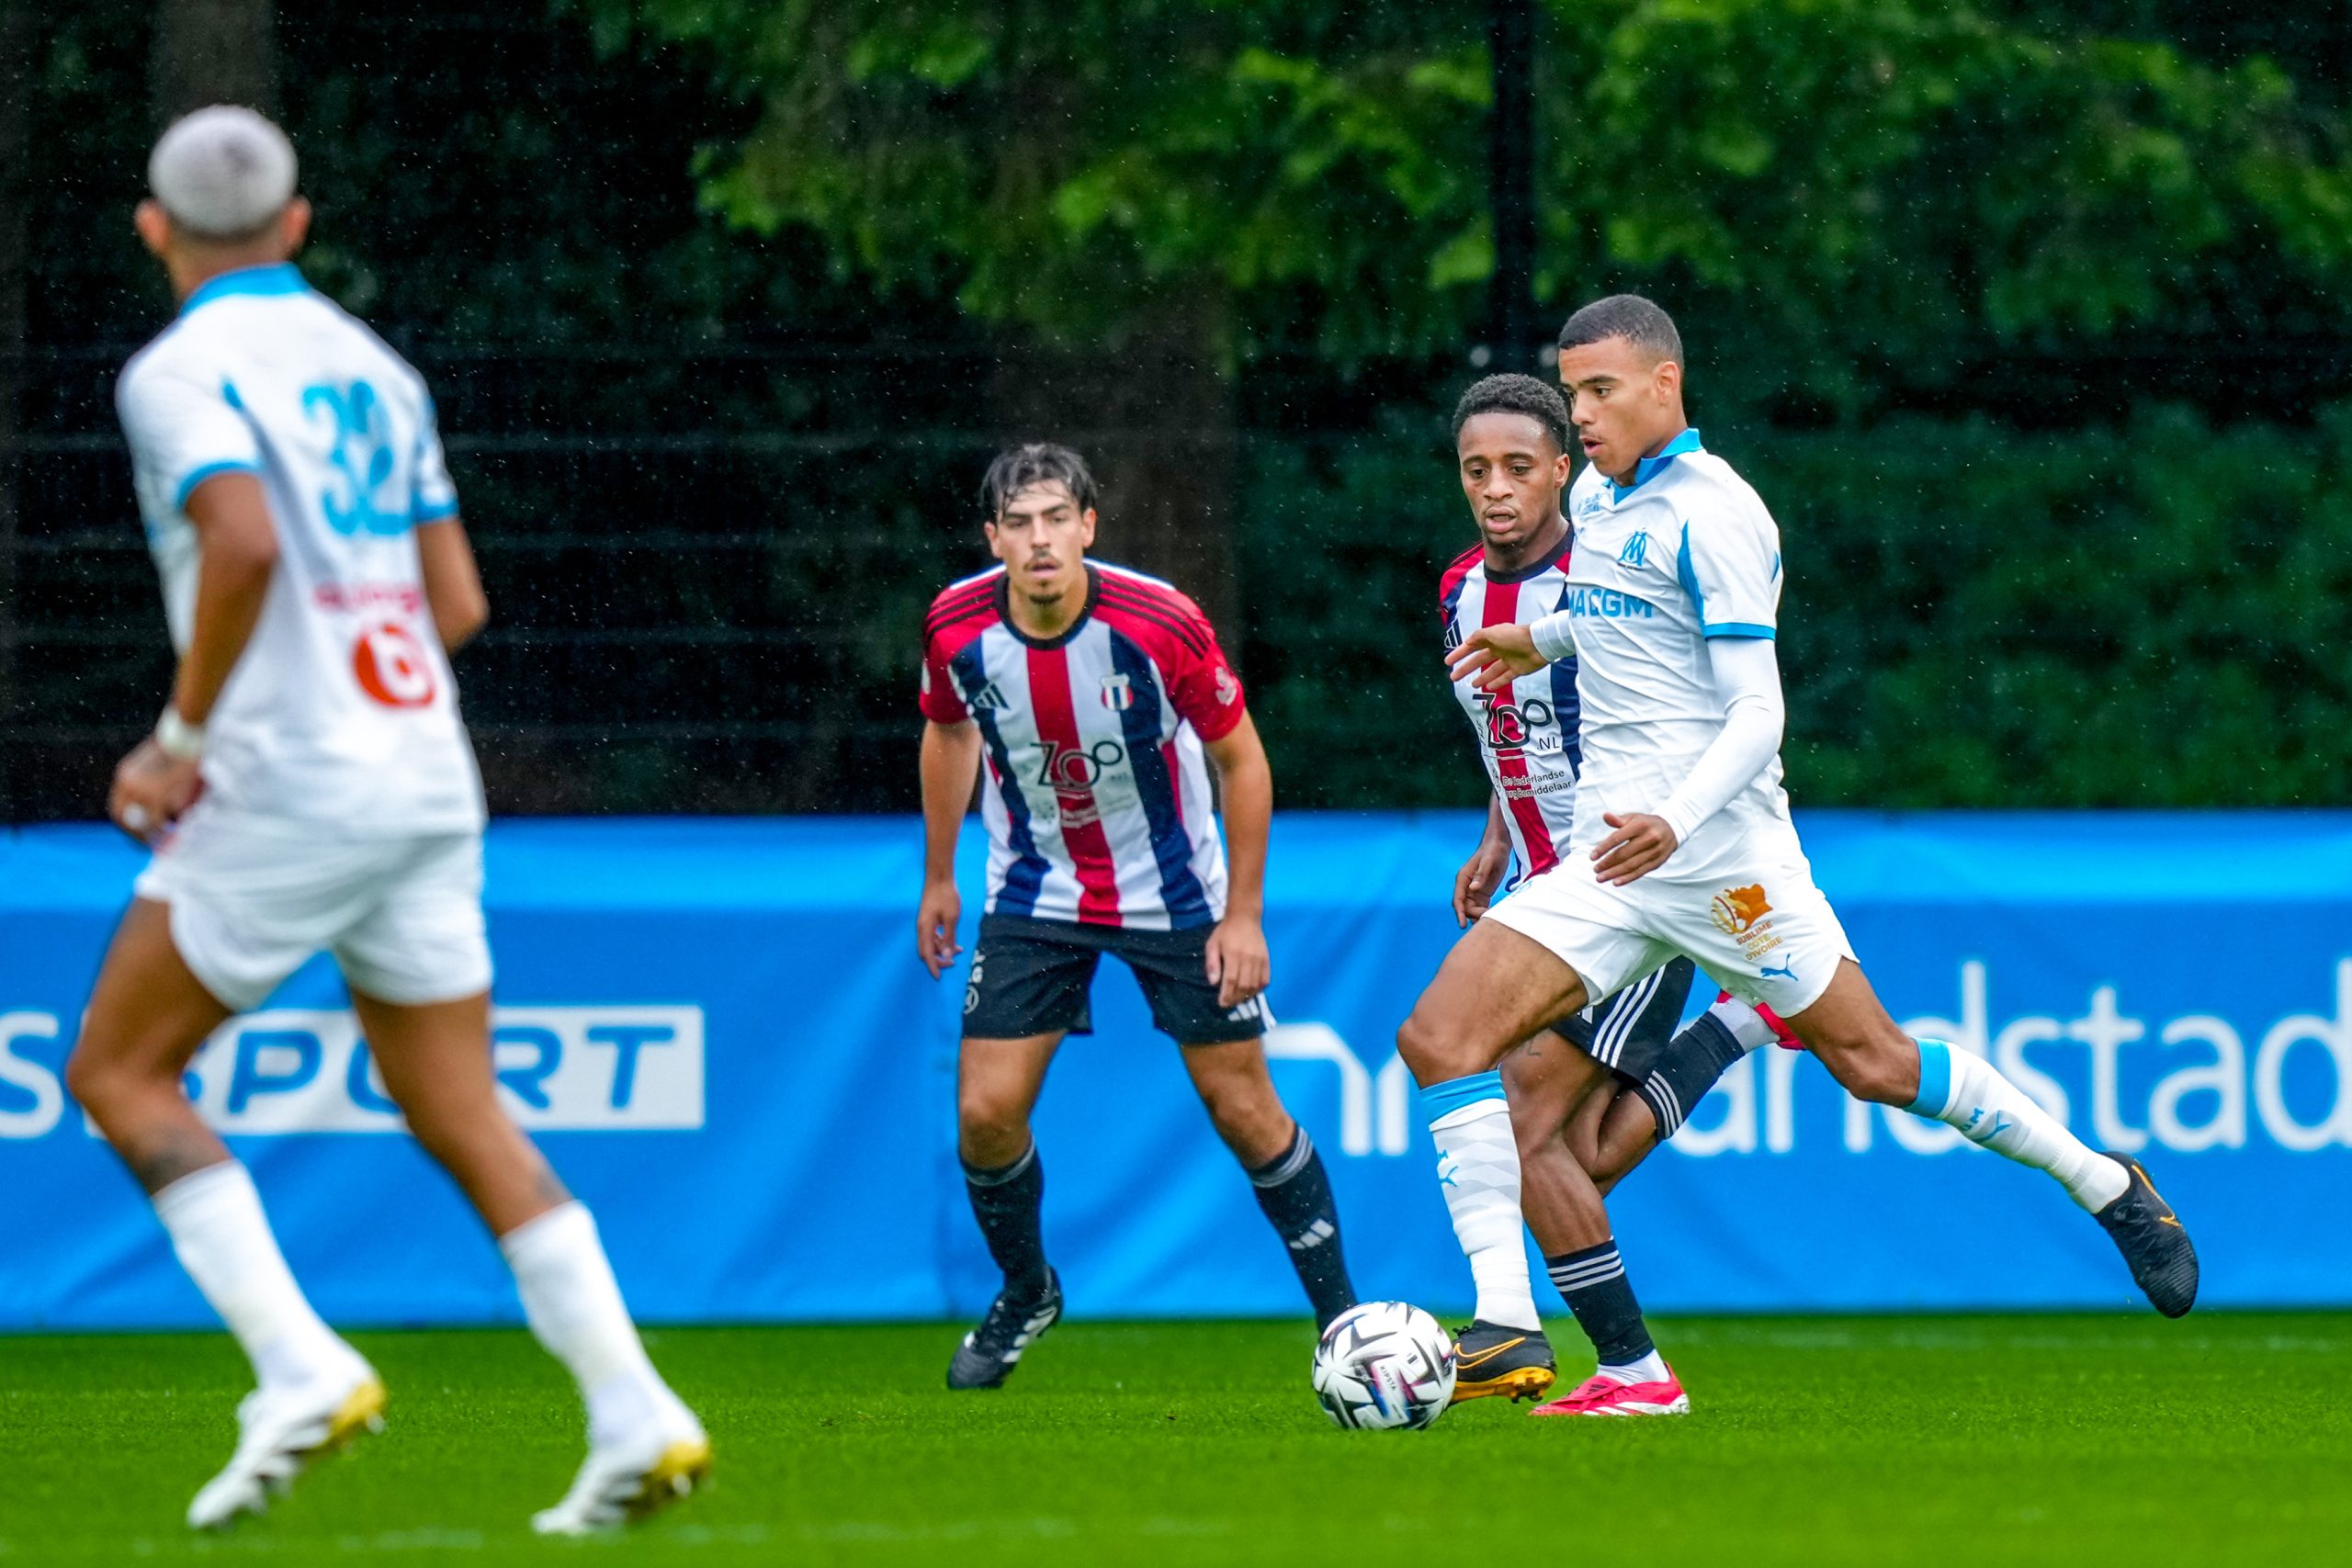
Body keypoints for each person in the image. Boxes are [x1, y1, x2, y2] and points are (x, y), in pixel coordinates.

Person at [63, 107, 707, 1535]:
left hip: (290, 776)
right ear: (296, 224)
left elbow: (239, 539)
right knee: (459, 1103)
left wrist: (177, 743)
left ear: (154, 230)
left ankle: (296, 1362)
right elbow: (456, 602)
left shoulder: (180, 371)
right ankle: (635, 1407)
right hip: (422, 768)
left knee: (116, 1068)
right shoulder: (379, 367)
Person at [1419, 295, 2199, 1353]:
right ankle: (1506, 1325)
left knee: (1877, 1063)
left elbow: (1757, 712)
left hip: (1720, 854)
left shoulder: (1718, 512)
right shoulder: (1601, 495)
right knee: (1438, 1038)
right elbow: (1623, 619)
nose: (1583, 413)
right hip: (1609, 862)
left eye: (1600, 391)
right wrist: (1541, 640)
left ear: (1665, 385)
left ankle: (2105, 1182)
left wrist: (1677, 819)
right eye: (1573, 392)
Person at [916, 442, 1355, 1388]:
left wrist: (1243, 917)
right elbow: (947, 728)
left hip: (1177, 893)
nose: (1039, 541)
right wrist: (939, 878)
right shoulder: (954, 624)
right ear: (993, 537)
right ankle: (1027, 1289)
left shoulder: (1160, 622)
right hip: (1034, 887)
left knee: (1242, 1109)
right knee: (985, 1116)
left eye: (1055, 520)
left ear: (1087, 527)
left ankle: (1344, 1323)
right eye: (1018, 524)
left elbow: (1243, 759)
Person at [1438, 374, 1784, 1416]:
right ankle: (1737, 1028)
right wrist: (1496, 831)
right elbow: (1514, 729)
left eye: (1515, 468)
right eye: (1473, 471)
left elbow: (1680, 718)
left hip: (1623, 885)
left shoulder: (1607, 576)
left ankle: (1607, 1363)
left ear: (1562, 470)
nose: (1495, 490)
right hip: (1537, 891)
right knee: (1571, 1154)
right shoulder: (1459, 589)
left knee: (1514, 1124)